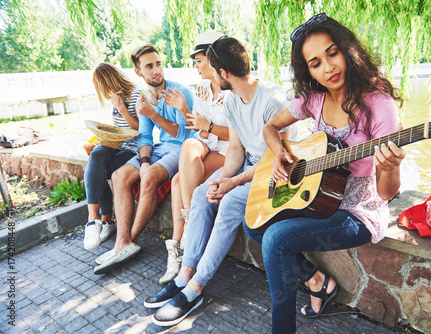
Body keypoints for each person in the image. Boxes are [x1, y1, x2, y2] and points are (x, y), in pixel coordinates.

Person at [243, 13, 406, 333]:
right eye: (315, 62)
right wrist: (280, 154)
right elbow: (270, 127)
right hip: (320, 195)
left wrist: (390, 165)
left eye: (332, 53)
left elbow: (387, 193)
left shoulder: (379, 104)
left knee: (275, 238)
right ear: (309, 71)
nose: (328, 67)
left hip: (359, 209)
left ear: (348, 50)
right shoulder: (312, 99)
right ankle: (318, 281)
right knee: (255, 225)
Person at [144, 36, 298, 326]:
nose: (210, 75)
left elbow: (276, 160)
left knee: (228, 204)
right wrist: (223, 179)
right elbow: (237, 150)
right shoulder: (231, 100)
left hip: (276, 173)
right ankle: (185, 273)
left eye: (213, 69)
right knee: (203, 193)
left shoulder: (273, 100)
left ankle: (196, 287)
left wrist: (232, 183)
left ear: (223, 73)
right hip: (247, 167)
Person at [94, 44, 194, 275]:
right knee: (119, 175)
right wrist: (145, 161)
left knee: (147, 176)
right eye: (149, 66)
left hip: (182, 149)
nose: (156, 70)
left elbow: (187, 134)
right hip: (159, 149)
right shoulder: (144, 99)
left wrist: (154, 114)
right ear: (139, 72)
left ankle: (130, 239)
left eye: (158, 63)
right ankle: (122, 242)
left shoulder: (180, 92)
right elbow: (146, 137)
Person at [156, 30, 230, 285]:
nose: (196, 66)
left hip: (228, 150)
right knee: (189, 145)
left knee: (177, 182)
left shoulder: (231, 89)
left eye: (199, 60)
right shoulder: (201, 89)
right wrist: (184, 110)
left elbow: (240, 134)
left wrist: (208, 126)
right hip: (207, 144)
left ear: (212, 59)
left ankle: (180, 244)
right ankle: (187, 229)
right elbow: (197, 127)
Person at [83, 63, 142, 251]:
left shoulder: (136, 94)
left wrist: (123, 108)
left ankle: (103, 221)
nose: (103, 92)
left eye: (102, 87)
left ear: (109, 81)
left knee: (97, 171)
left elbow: (140, 128)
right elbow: (118, 129)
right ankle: (96, 220)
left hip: (135, 149)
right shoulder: (116, 97)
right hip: (119, 146)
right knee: (97, 155)